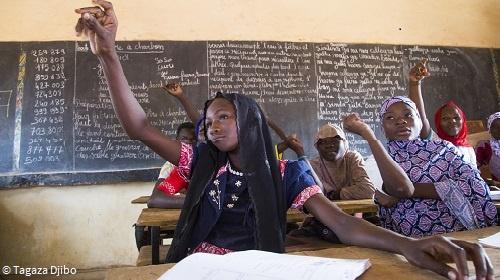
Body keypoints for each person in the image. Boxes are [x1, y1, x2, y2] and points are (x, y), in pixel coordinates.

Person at [75, 2, 495, 278]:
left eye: (224, 117)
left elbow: (342, 222)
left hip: (261, 269)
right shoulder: (203, 162)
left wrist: (409, 244)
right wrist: (110, 55)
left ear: (252, 124)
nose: (212, 125)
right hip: (197, 269)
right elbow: (140, 128)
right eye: (208, 120)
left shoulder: (287, 172)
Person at [345, 96, 496, 238]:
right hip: (409, 244)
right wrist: (368, 134)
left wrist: (411, 191)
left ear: (419, 120)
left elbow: (475, 185)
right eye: (390, 117)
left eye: (408, 115)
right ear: (382, 127)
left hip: (461, 234)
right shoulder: (375, 162)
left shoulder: (444, 149)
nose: (400, 121)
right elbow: (401, 189)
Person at [408, 59, 477, 167]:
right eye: (445, 119)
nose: (452, 121)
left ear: (463, 121)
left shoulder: (468, 149)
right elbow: (420, 116)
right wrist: (414, 83)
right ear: (438, 122)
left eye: (456, 117)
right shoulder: (434, 142)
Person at [309, 123, 375, 200]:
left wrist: (338, 194)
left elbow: (368, 190)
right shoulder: (314, 165)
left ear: (344, 143)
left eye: (334, 140)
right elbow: (312, 196)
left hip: (357, 210)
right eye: (323, 142)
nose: (329, 145)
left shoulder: (353, 158)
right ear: (317, 147)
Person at [147, 121, 195, 209]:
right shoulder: (173, 168)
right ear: (176, 141)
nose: (188, 143)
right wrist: (198, 202)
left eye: (193, 139)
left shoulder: (210, 163)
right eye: (184, 139)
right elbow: (154, 199)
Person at [476, 112, 500, 183]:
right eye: (495, 127)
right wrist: (489, 182)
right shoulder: (484, 146)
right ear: (489, 129)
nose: (499, 130)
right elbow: (474, 168)